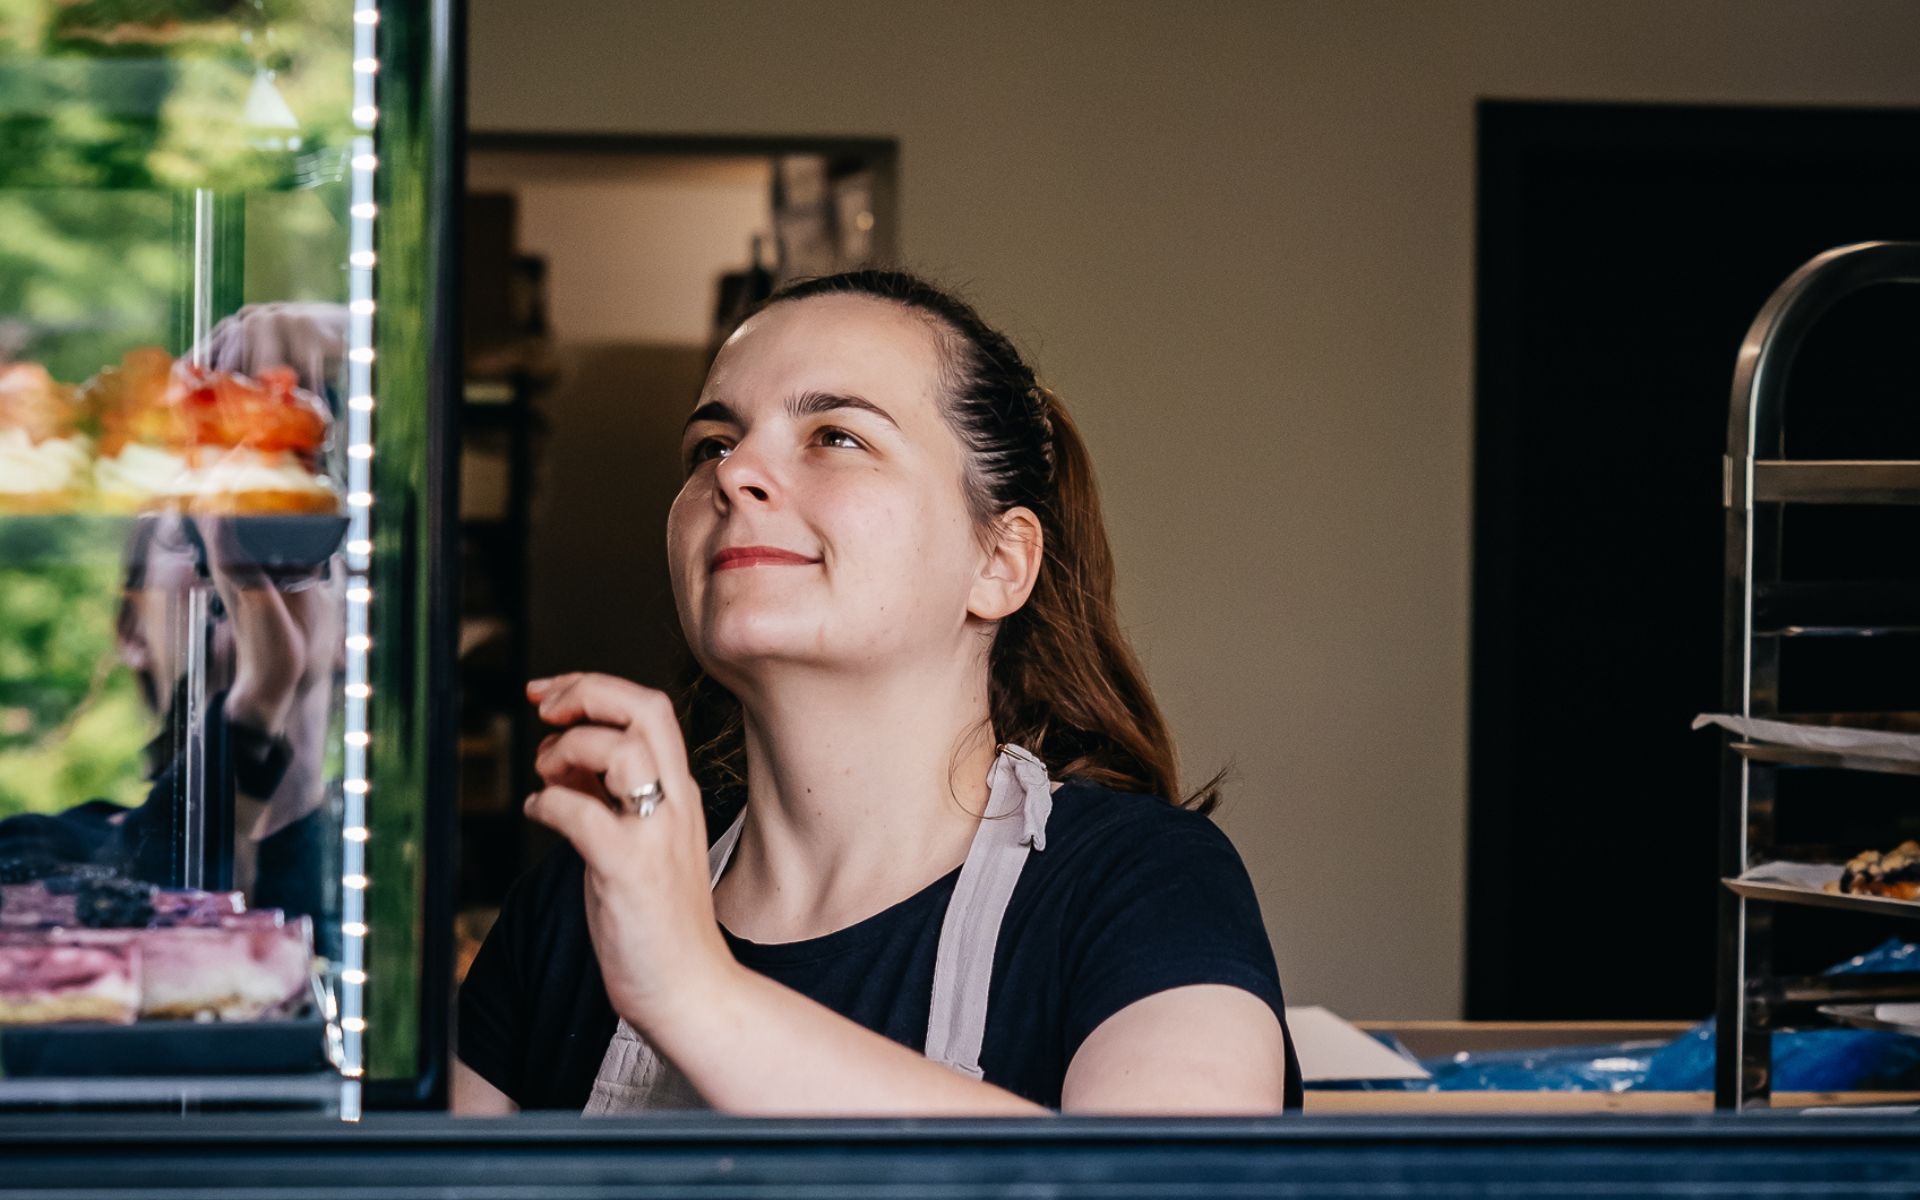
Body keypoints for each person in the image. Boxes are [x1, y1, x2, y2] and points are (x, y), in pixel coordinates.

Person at [454, 270, 1301, 1116]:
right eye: (711, 445)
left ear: (999, 562)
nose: (735, 472)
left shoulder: (1142, 885)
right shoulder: (583, 899)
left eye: (836, 436)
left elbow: (1170, 1179)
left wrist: (691, 988)